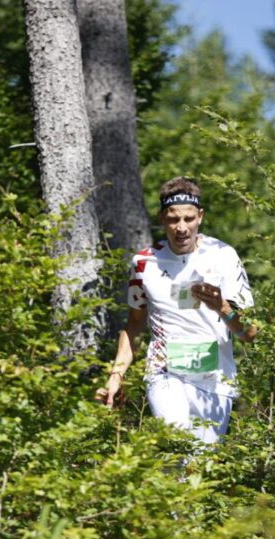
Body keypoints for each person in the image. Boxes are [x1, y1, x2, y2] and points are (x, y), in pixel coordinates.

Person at [96, 177, 257, 444]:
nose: (181, 228)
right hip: (164, 372)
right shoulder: (144, 262)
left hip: (215, 377)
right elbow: (135, 324)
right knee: (176, 445)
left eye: (189, 219)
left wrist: (223, 307)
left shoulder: (223, 255)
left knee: (202, 465)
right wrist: (116, 375)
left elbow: (250, 333)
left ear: (200, 217)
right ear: (162, 219)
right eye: (173, 220)